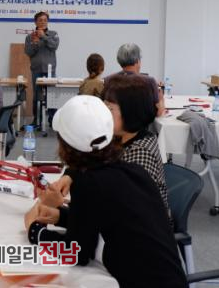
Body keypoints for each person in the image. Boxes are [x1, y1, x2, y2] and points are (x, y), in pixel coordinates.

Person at [23, 95, 186, 288]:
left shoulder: (89, 182)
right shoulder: (132, 171)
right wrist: (62, 217)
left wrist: (35, 231)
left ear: (65, 146)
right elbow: (109, 222)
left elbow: (77, 253)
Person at [53, 74, 170, 215]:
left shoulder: (141, 153)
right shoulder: (116, 136)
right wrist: (69, 175)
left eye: (109, 109)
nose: (103, 114)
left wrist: (63, 213)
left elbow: (120, 212)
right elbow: (91, 159)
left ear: (131, 112)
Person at [107, 43, 165, 117]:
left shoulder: (109, 80)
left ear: (119, 60)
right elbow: (159, 113)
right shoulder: (150, 81)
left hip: (116, 123)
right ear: (137, 60)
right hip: (143, 124)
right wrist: (160, 97)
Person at [24, 11, 59, 125]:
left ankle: (52, 120)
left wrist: (43, 36)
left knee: (51, 95)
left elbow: (54, 46)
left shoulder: (53, 34)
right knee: (37, 95)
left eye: (45, 20)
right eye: (40, 20)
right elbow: (28, 52)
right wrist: (35, 43)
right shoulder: (30, 37)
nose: (43, 22)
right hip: (36, 69)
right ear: (35, 22)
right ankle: (37, 120)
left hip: (50, 70)